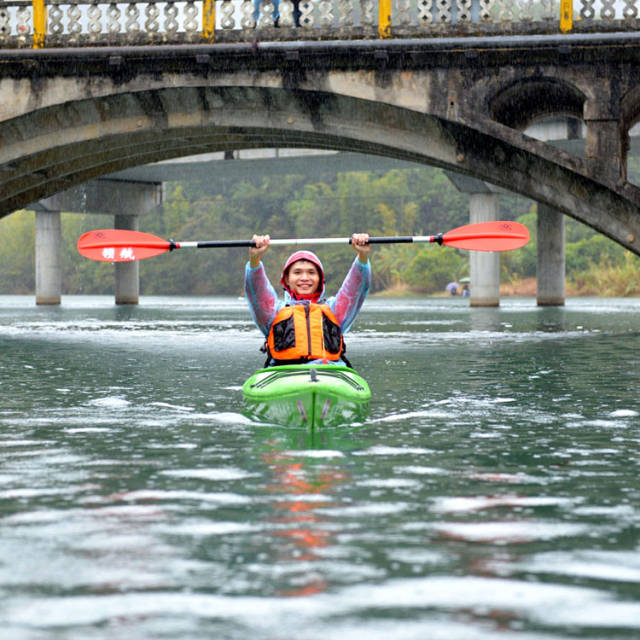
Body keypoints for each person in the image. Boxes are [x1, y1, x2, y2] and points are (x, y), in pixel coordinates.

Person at [245, 233, 371, 367]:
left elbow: (354, 288)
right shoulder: (274, 312)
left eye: (311, 273)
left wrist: (362, 257)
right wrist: (255, 259)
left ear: (320, 279)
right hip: (283, 373)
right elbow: (258, 290)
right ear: (287, 279)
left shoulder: (333, 310)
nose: (305, 278)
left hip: (328, 371)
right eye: (297, 273)